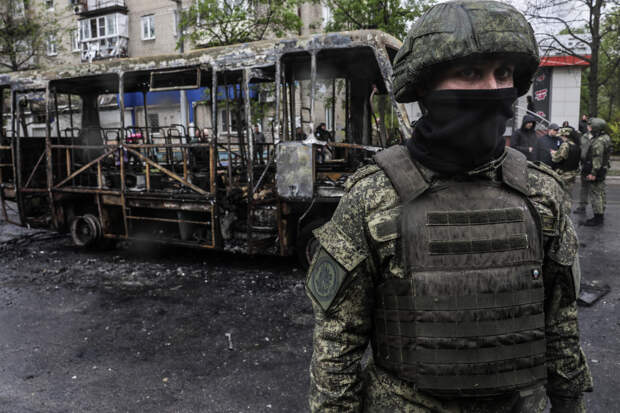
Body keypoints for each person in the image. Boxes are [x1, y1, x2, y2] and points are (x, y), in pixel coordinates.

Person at [306, 2, 592, 413]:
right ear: (425, 85)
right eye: (471, 73)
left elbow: (561, 325)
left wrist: (570, 404)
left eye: (503, 74)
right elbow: (337, 347)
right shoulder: (373, 197)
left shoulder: (540, 193)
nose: (493, 89)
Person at [581, 117, 612, 226]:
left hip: (597, 170)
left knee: (596, 194)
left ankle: (597, 218)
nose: (588, 128)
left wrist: (593, 173)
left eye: (590, 126)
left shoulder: (598, 141)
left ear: (596, 128)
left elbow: (597, 158)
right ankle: (600, 215)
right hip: (603, 169)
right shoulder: (606, 137)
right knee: (601, 192)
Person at [551, 127, 581, 193]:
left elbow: (557, 159)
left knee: (561, 193)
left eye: (561, 136)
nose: (561, 138)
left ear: (565, 136)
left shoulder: (565, 145)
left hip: (564, 174)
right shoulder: (576, 145)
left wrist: (553, 154)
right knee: (568, 192)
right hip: (573, 173)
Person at [574, 127, 593, 214]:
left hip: (595, 165)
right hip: (585, 165)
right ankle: (582, 206)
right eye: (589, 125)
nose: (589, 127)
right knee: (584, 187)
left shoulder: (600, 137)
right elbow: (580, 149)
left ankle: (598, 210)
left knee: (595, 189)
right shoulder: (584, 137)